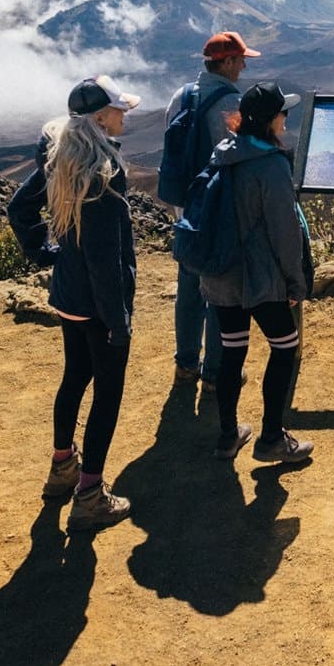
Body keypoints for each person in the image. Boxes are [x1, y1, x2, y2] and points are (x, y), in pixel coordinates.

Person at [40, 76, 143, 532]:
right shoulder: (104, 171)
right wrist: (118, 320)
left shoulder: (59, 156)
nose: (125, 116)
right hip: (99, 306)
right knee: (107, 393)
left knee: (73, 377)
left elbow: (21, 208)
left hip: (69, 298)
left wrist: (48, 255)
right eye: (120, 110)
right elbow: (105, 257)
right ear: (101, 119)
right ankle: (89, 495)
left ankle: (62, 466)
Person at [201, 80, 316, 464]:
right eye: (284, 112)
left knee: (232, 353)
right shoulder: (270, 166)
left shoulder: (223, 153)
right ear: (271, 120)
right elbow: (285, 232)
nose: (286, 118)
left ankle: (227, 435)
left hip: (221, 274)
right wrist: (296, 279)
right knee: (284, 349)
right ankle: (271, 438)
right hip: (262, 278)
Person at [163, 32, 257, 390]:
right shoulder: (232, 101)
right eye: (242, 59)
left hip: (184, 207)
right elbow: (239, 158)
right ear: (228, 62)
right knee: (221, 289)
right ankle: (216, 372)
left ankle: (186, 364)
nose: (245, 65)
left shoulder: (181, 95)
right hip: (217, 212)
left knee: (189, 286)